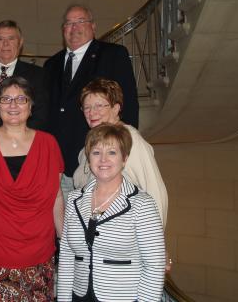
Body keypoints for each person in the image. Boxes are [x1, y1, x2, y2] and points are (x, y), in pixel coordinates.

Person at [0, 76, 64, 300]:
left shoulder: (49, 145)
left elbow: (56, 196)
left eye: (20, 99)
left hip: (38, 254)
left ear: (31, 105)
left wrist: (65, 241)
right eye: (6, 99)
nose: (13, 105)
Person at [58, 123, 165, 301]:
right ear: (89, 157)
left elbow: (154, 266)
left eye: (112, 152)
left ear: (124, 158)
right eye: (96, 152)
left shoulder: (142, 204)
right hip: (79, 295)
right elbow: (68, 257)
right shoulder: (75, 199)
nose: (103, 159)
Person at [44, 4, 139, 199]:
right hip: (56, 167)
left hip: (96, 162)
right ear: (63, 30)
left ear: (93, 26)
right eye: (68, 23)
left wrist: (122, 149)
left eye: (80, 21)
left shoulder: (113, 55)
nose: (74, 27)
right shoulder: (50, 64)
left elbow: (128, 105)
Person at [73, 78, 168, 226]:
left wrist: (154, 241)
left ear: (116, 109)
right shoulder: (89, 145)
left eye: (99, 106)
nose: (92, 112)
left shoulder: (130, 139)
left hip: (125, 235)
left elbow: (155, 191)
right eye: (87, 107)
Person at [0, 20, 48, 132]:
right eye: (0, 39)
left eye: (11, 39)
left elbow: (40, 116)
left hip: (23, 144)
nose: (5, 44)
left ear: (20, 43)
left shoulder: (38, 75)